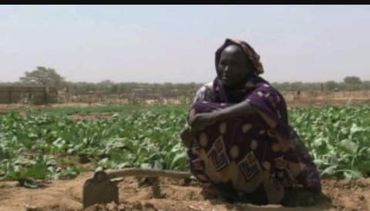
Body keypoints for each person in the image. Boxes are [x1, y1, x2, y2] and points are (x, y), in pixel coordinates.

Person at [180, 38, 322, 206]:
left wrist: (214, 117)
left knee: (256, 114)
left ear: (249, 68)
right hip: (222, 171)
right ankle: (223, 187)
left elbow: (261, 103)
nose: (226, 70)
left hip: (264, 166)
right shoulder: (209, 91)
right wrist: (190, 133)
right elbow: (189, 136)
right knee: (200, 110)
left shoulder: (263, 91)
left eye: (234, 65)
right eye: (222, 63)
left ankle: (262, 190)